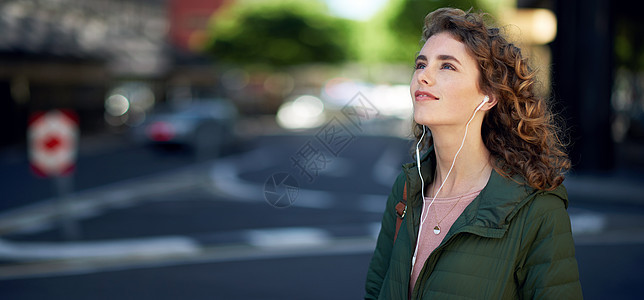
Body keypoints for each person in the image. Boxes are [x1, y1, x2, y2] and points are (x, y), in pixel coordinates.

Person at [365, 7, 583, 299]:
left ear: (488, 95)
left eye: (447, 66)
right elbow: (375, 291)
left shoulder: (536, 208)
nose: (423, 77)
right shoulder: (406, 191)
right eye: (420, 64)